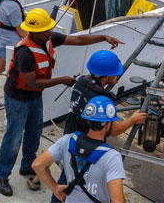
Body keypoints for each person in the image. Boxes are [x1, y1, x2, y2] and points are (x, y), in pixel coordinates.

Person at [0, 8, 124, 197]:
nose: (50, 32)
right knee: (13, 138)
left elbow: (77, 40)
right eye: (46, 30)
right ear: (34, 32)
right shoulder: (25, 52)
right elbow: (32, 82)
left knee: (34, 133)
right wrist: (62, 80)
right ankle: (1, 175)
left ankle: (28, 165)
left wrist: (104, 37)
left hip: (34, 97)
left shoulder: (48, 39)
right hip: (18, 98)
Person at [51, 50, 147, 203]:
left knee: (68, 174)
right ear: (106, 76)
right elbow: (112, 130)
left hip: (71, 137)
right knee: (84, 178)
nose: (117, 76)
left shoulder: (81, 81)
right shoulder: (100, 98)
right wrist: (132, 120)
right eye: (115, 73)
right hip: (88, 142)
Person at [32, 96, 127, 203]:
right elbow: (118, 200)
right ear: (108, 124)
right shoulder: (111, 157)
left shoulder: (67, 140)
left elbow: (37, 165)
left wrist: (55, 188)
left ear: (88, 120)